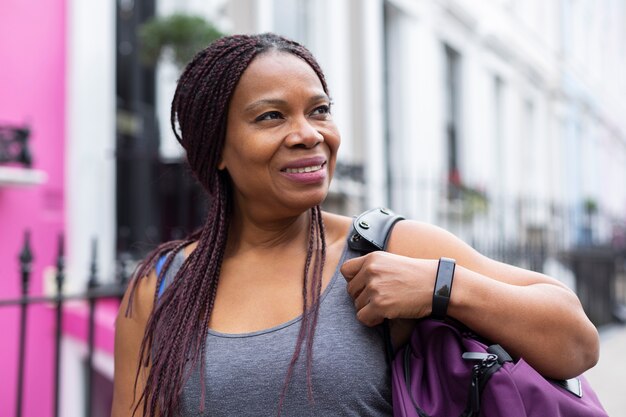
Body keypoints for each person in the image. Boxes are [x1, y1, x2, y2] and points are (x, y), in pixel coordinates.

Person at [111, 33, 599, 417]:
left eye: (319, 110)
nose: (309, 134)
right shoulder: (164, 287)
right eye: (271, 116)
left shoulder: (383, 248)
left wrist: (441, 285)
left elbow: (577, 342)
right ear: (215, 148)